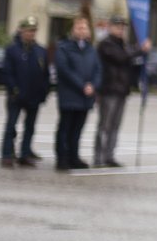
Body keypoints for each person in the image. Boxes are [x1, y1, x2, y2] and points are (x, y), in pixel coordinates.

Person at [92, 14, 145, 167]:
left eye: (122, 27)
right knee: (104, 126)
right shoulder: (106, 44)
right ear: (110, 27)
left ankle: (109, 155)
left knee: (115, 126)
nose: (120, 29)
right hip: (108, 90)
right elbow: (121, 58)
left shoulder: (124, 45)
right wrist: (139, 50)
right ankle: (99, 157)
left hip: (122, 91)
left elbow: (130, 63)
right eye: (117, 26)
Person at [52, 14, 100, 170]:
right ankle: (62, 158)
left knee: (78, 129)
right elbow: (64, 70)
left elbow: (98, 70)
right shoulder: (64, 47)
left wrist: (93, 85)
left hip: (85, 98)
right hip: (69, 96)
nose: (82, 30)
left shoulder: (91, 49)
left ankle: (74, 156)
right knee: (65, 128)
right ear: (72, 30)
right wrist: (82, 86)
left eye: (84, 27)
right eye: (78, 27)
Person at [2, 16, 49, 167]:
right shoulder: (12, 50)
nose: (31, 34)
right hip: (16, 96)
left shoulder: (40, 51)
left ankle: (25, 154)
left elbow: (45, 74)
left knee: (30, 128)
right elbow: (7, 73)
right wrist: (13, 89)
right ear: (21, 30)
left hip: (34, 96)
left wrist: (44, 92)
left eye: (33, 31)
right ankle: (7, 154)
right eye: (28, 30)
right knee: (11, 126)